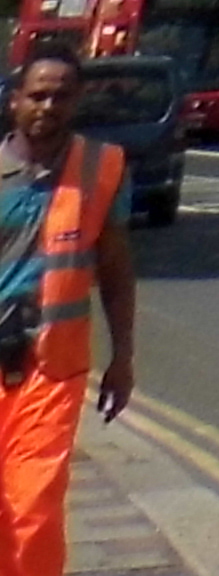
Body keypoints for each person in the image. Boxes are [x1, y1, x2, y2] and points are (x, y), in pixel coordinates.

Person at [1, 48, 137, 576]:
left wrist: (123, 356)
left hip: (49, 370)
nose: (48, 106)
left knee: (32, 507)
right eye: (37, 95)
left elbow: (117, 273)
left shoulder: (103, 169)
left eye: (61, 95)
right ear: (15, 101)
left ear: (77, 100)